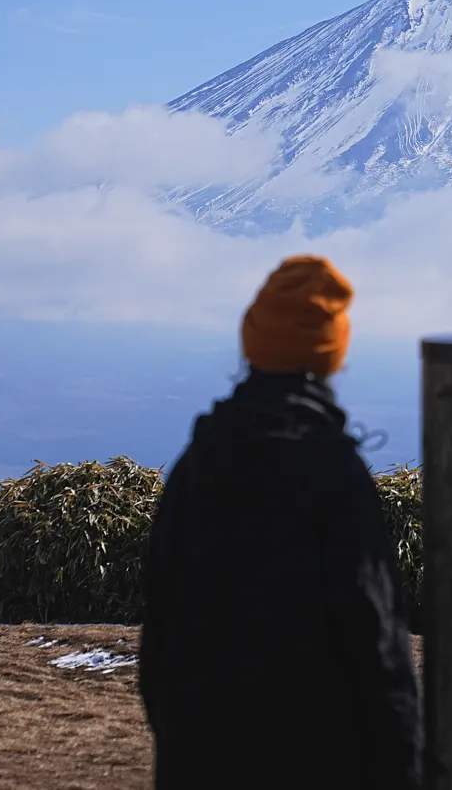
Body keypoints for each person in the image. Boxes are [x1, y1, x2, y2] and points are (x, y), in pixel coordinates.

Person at [139, 255, 423, 790]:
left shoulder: (197, 464)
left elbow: (160, 631)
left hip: (197, 759)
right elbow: (374, 639)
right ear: (332, 354)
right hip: (318, 760)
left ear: (253, 344)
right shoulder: (334, 475)